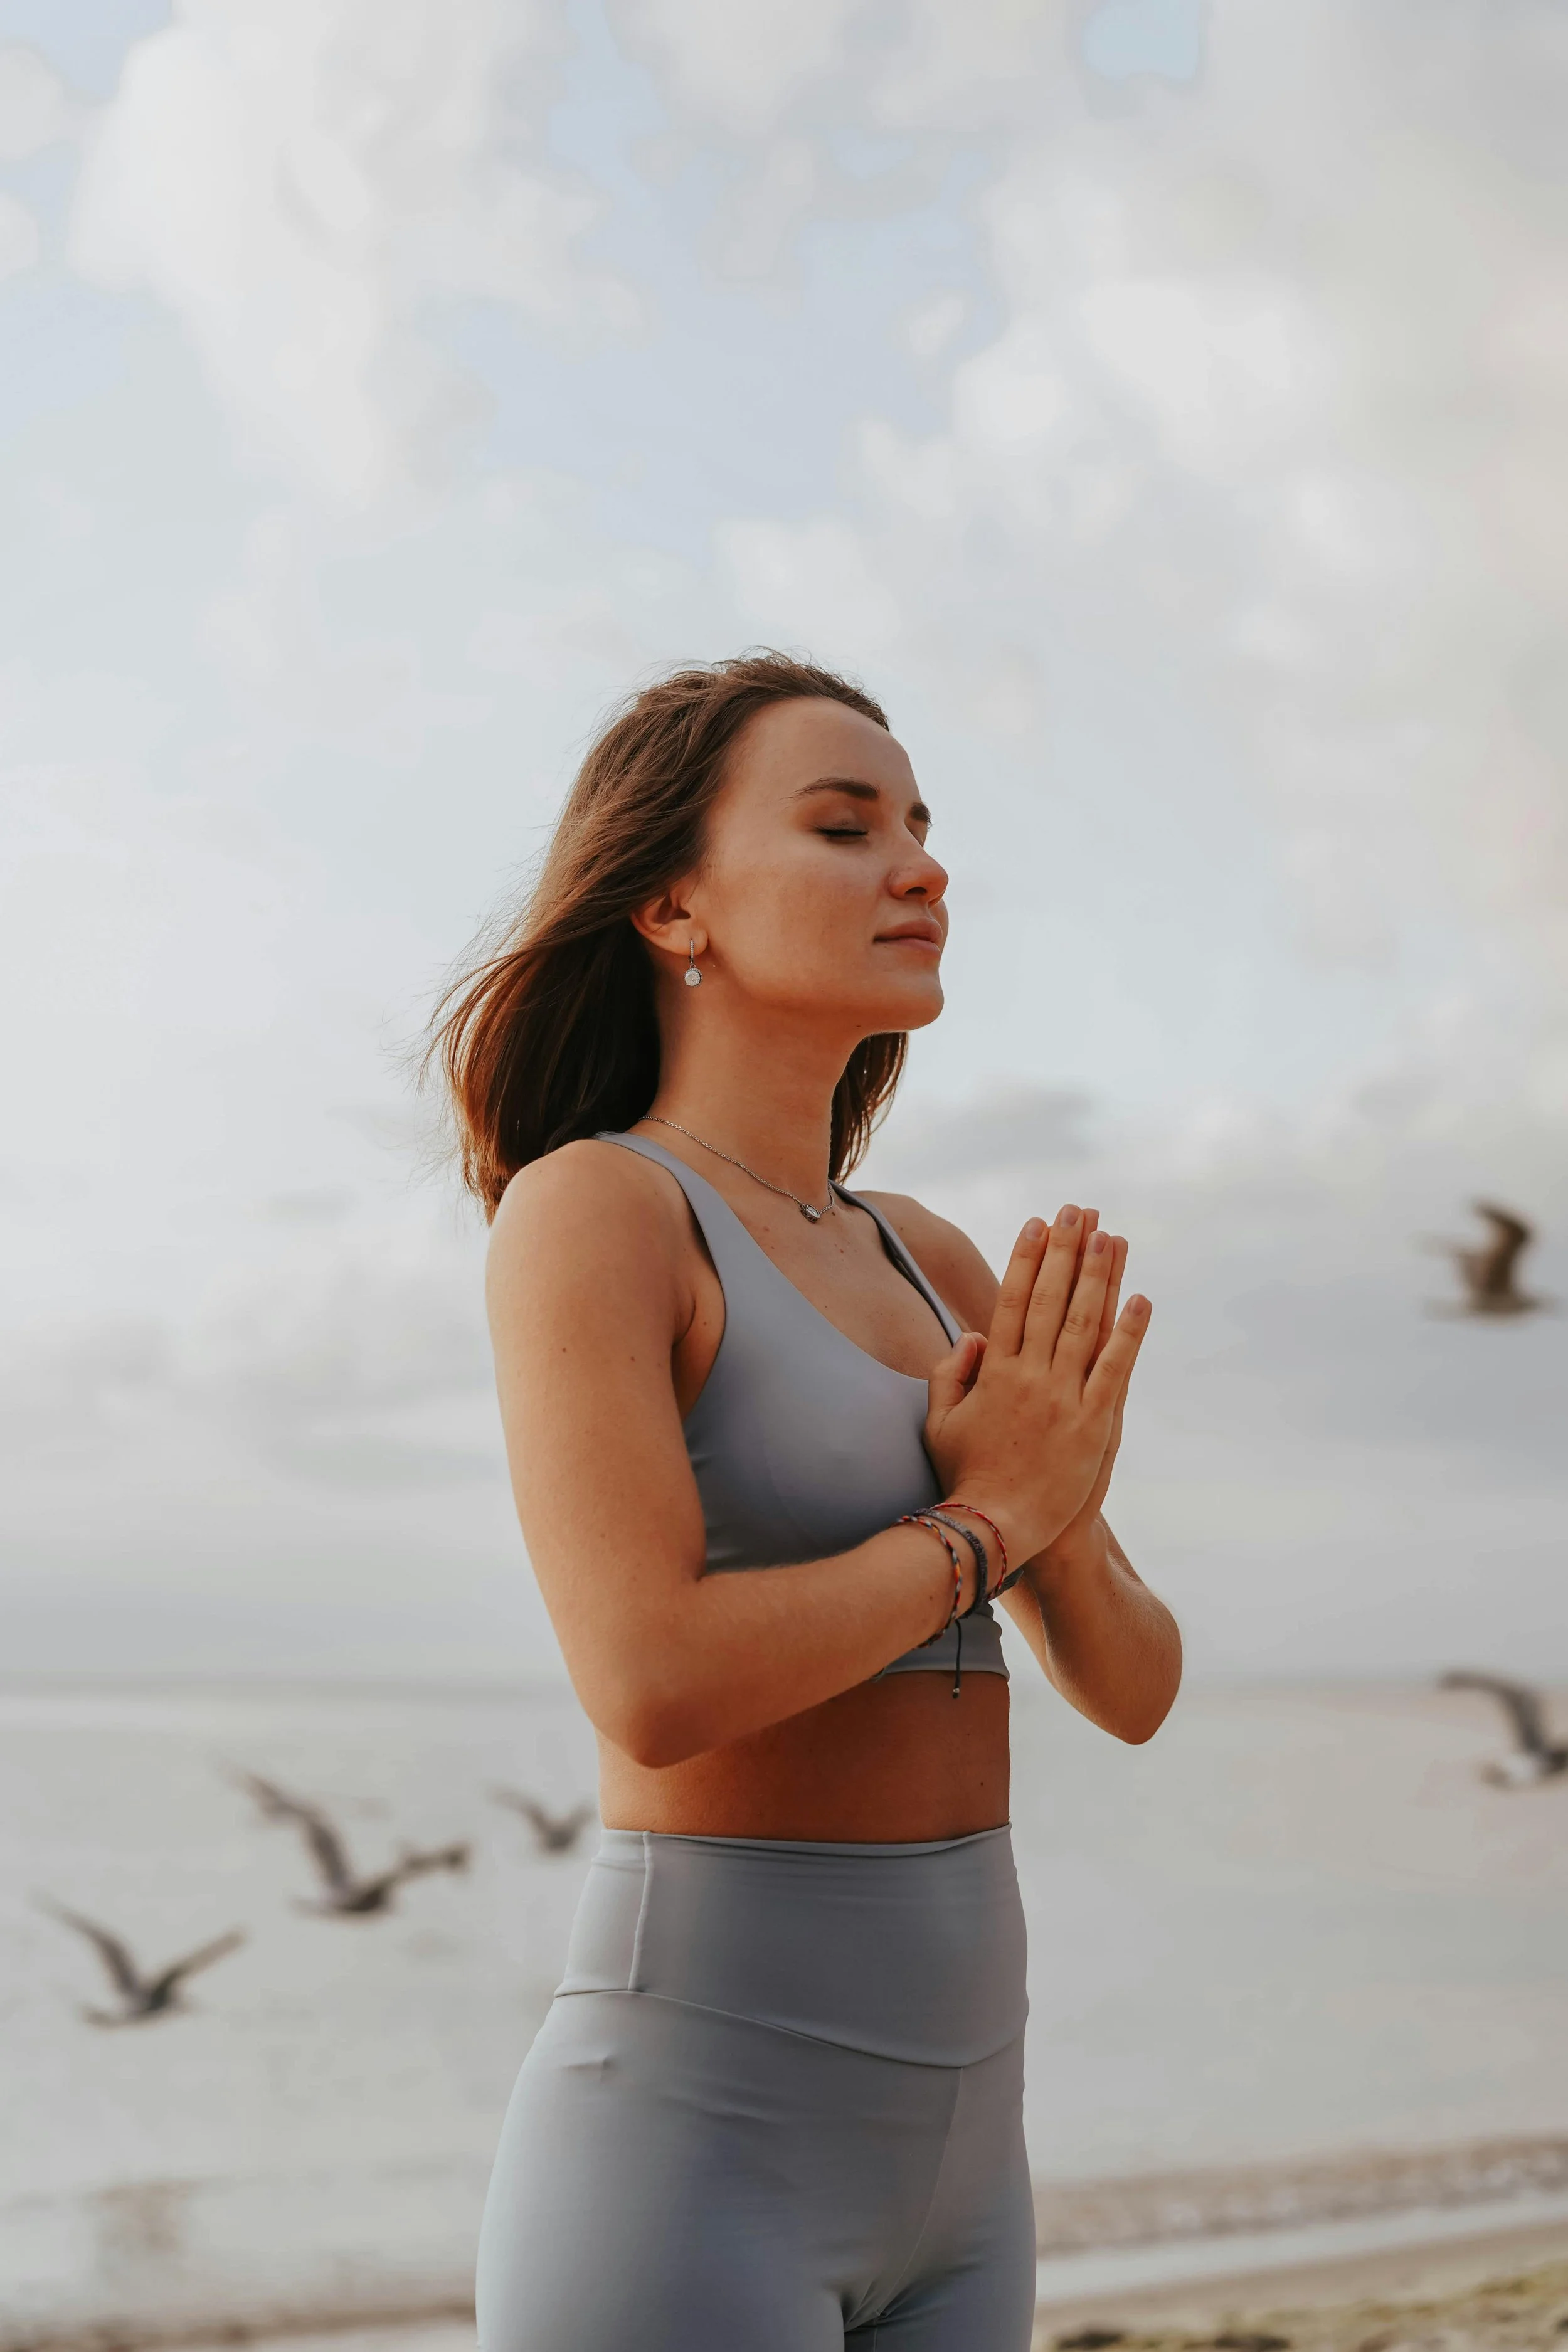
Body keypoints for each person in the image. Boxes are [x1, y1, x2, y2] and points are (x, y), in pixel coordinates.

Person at [432, 652, 1182, 2350]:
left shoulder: (931, 1261)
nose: (917, 864)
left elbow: (1133, 1687)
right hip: (689, 2154)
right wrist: (980, 1529)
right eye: (845, 825)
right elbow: (650, 1678)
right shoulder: (596, 1212)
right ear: (674, 906)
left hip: (965, 2180)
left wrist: (1058, 1501)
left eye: (920, 825)